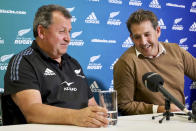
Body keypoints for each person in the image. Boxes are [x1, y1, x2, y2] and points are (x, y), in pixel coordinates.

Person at [2, 4, 108, 127]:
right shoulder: (23, 61)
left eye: (69, 32)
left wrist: (99, 116)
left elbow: (91, 105)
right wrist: (77, 116)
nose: (68, 38)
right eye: (62, 31)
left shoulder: (73, 63)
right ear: (41, 32)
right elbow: (32, 111)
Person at [113, 9, 196, 115]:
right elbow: (123, 105)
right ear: (131, 38)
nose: (143, 42)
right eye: (137, 37)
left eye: (147, 34)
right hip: (148, 124)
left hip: (181, 119)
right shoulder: (126, 63)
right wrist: (158, 109)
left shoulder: (176, 51)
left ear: (158, 31)